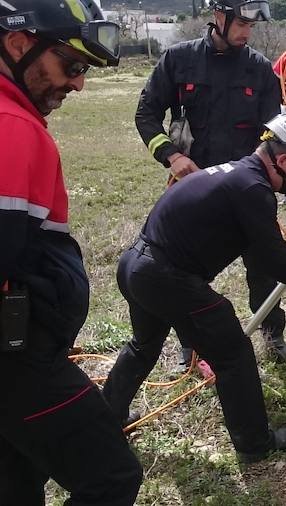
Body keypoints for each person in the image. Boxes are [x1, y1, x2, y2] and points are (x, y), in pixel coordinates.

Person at [101, 112, 286, 464]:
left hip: (136, 265)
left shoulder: (238, 175)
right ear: (282, 160)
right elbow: (272, 260)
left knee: (144, 345)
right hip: (165, 276)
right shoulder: (253, 189)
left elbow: (264, 250)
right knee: (232, 352)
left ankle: (105, 419)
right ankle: (254, 443)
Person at [0, 1, 144, 504]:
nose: (78, 83)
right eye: (72, 65)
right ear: (19, 44)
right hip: (19, 361)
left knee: (18, 482)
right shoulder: (12, 127)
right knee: (111, 476)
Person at [134, 0, 286, 368]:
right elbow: (146, 114)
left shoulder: (259, 69)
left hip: (245, 191)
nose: (246, 33)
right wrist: (172, 156)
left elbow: (273, 131)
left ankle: (273, 333)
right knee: (183, 272)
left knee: (264, 263)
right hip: (194, 193)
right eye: (240, 24)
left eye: (252, 27)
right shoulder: (178, 60)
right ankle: (188, 344)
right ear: (218, 16)